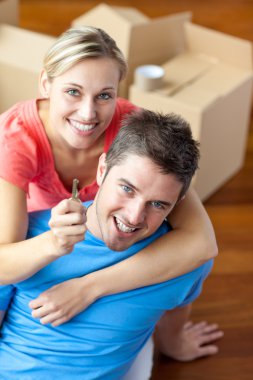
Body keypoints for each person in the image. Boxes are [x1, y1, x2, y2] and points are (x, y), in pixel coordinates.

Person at [0, 26, 217, 326]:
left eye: (104, 95)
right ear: (46, 84)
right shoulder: (16, 138)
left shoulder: (132, 128)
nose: (88, 114)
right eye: (73, 91)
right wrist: (54, 243)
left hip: (116, 242)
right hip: (47, 239)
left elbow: (202, 243)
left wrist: (89, 287)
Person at [0, 110, 223, 379]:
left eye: (157, 204)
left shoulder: (184, 264)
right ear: (102, 170)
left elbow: (177, 303)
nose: (134, 217)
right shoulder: (29, 235)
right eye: (127, 189)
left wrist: (174, 344)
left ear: (178, 202)